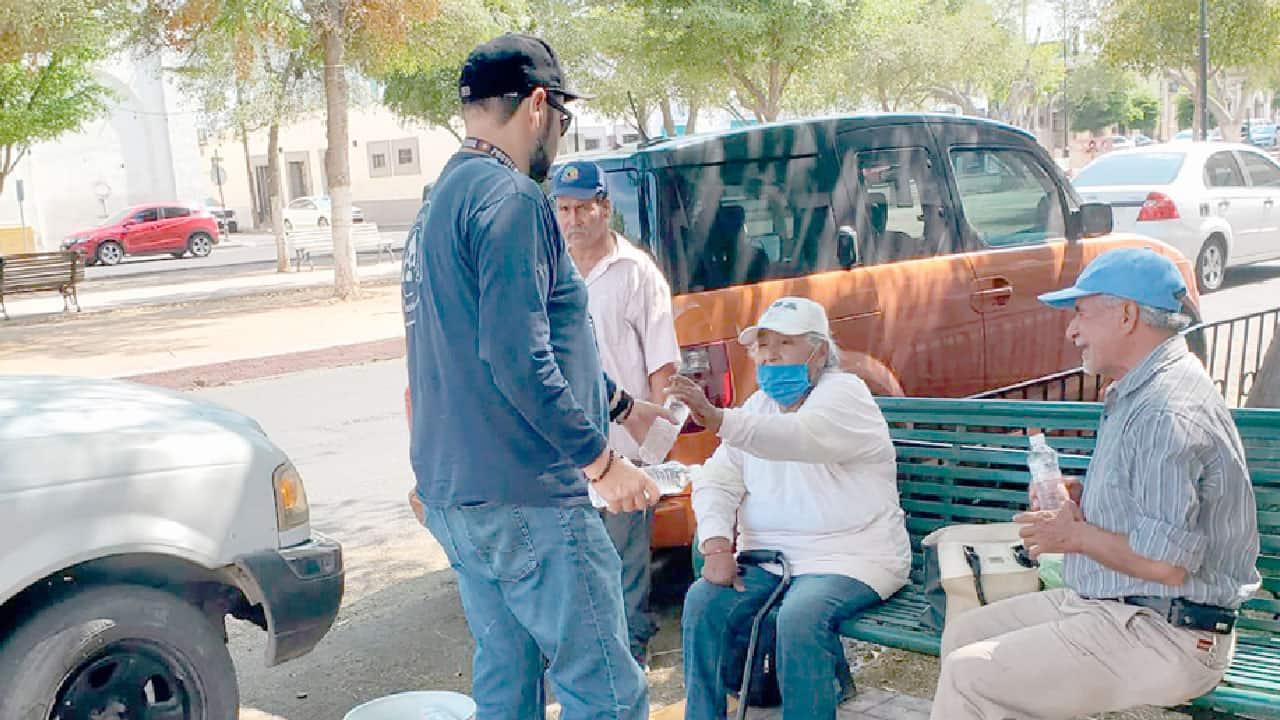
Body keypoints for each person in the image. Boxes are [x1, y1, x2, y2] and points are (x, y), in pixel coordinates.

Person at [401, 33, 667, 720]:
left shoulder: (437, 205)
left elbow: (471, 344)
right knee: (603, 689)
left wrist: (617, 404)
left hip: (459, 493)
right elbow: (517, 357)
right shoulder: (512, 199)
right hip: (529, 495)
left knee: (508, 686)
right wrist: (603, 462)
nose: (558, 135)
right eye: (562, 120)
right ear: (539, 105)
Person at [931, 247, 1261, 719]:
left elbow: (1165, 565)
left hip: (1170, 635)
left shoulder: (1166, 409)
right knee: (964, 636)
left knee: (970, 675)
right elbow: (1150, 508)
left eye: (1081, 312)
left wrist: (1074, 537)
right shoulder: (1140, 388)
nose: (1071, 330)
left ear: (1127, 315)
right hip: (1116, 607)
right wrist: (1086, 498)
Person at [669, 296, 912, 720]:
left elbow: (800, 437)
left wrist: (718, 419)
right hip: (770, 558)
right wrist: (715, 544)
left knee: (799, 617)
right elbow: (717, 478)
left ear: (818, 351)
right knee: (703, 602)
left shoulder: (845, 394)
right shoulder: (758, 407)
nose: (770, 355)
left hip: (852, 557)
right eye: (763, 345)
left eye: (785, 343)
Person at [551, 159, 681, 669]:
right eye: (563, 209)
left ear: (605, 208)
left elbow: (662, 364)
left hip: (623, 449)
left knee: (624, 564)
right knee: (572, 564)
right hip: (564, 450)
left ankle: (631, 658)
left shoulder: (637, 273)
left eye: (584, 207)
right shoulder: (547, 269)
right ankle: (585, 660)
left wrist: (652, 454)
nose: (574, 219)